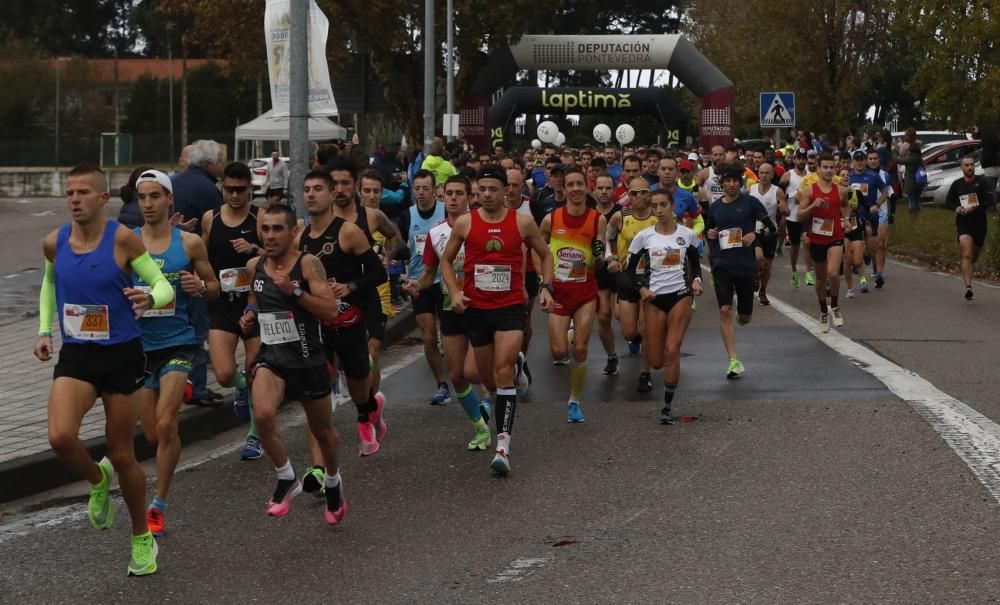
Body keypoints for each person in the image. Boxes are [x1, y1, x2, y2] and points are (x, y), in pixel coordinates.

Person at [35, 162, 175, 576]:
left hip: (121, 356)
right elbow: (48, 284)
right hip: (78, 354)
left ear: (102, 198)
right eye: (69, 193)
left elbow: (162, 284)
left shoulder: (123, 239)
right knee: (60, 437)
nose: (73, 199)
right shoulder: (53, 242)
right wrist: (45, 329)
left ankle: (139, 537)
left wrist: (151, 298)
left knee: (122, 453)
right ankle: (98, 480)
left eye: (82, 192)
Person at [438, 166, 555, 475]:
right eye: (482, 190)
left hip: (510, 307)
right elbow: (446, 261)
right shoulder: (465, 223)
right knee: (482, 378)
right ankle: (514, 366)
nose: (487, 195)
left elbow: (546, 255)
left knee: (501, 373)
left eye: (493, 189)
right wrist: (456, 291)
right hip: (476, 309)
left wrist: (546, 287)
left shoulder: (523, 223)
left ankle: (502, 446)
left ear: (506, 192)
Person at [239, 205, 347, 524]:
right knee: (262, 415)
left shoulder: (308, 264)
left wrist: (295, 290)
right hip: (273, 359)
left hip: (308, 359)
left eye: (276, 229)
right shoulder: (254, 265)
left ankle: (333, 482)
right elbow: (256, 304)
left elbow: (330, 311)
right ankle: (287, 477)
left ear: (291, 232)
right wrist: (249, 319)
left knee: (323, 432)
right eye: (265, 229)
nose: (269, 236)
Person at [131, 170, 220, 537]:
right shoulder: (127, 242)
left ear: (170, 201)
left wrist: (198, 285)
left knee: (168, 424)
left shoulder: (189, 243)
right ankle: (174, 393)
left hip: (178, 342)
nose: (148, 204)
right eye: (142, 197)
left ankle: (158, 503)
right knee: (152, 436)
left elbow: (214, 287)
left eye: (155, 196)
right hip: (137, 348)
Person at [405, 176, 493, 450]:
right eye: (449, 194)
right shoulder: (436, 234)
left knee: (477, 373)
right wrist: (416, 285)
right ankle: (480, 427)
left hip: (481, 306)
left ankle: (508, 369)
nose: (453, 198)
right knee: (457, 375)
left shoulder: (482, 226)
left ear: (469, 197)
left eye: (459, 193)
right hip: (450, 307)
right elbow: (430, 273)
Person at [539, 167, 611, 423]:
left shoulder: (596, 219)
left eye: (580, 184)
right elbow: (539, 251)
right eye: (571, 185)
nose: (576, 189)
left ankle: (574, 401)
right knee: (559, 352)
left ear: (586, 186)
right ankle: (567, 336)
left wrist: (599, 254)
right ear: (564, 189)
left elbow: (600, 254)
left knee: (580, 349)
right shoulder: (551, 219)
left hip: (585, 290)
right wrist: (543, 283)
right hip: (559, 289)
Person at [200, 162, 262, 459]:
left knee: (256, 372)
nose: (235, 195)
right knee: (224, 374)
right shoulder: (210, 219)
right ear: (222, 188)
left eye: (241, 190)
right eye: (229, 189)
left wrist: (254, 251)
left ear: (250, 188)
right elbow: (200, 257)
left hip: (255, 305)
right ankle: (239, 386)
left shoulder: (260, 218)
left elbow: (279, 256)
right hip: (222, 306)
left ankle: (254, 435)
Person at [628, 189, 704, 424]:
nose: (659, 210)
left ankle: (668, 406)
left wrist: (697, 280)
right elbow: (630, 271)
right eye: (655, 206)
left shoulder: (687, 235)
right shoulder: (644, 237)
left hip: (680, 295)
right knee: (657, 360)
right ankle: (662, 383)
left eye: (663, 205)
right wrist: (642, 289)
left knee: (673, 348)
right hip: (654, 298)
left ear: (672, 207)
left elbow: (694, 263)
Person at [704, 165, 776, 377]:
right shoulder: (715, 208)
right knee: (725, 310)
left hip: (745, 265)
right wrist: (711, 234)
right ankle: (733, 360)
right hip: (722, 264)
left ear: (740, 182)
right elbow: (709, 234)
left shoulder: (750, 203)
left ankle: (741, 317)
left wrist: (756, 234)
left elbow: (771, 228)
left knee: (745, 317)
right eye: (728, 180)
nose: (732, 184)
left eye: (735, 180)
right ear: (722, 183)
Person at [172, 140, 224, 408]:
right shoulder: (208, 189)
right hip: (194, 267)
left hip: (167, 264)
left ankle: (178, 384)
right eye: (218, 162)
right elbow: (218, 229)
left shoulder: (175, 182)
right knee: (197, 329)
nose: (221, 166)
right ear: (208, 164)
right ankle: (199, 388)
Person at [398, 169, 450, 404]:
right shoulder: (407, 216)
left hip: (447, 281)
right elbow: (399, 247)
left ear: (434, 189)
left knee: (450, 337)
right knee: (429, 337)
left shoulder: (445, 210)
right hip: (420, 282)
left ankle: (462, 377)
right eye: (416, 188)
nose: (420, 192)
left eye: (425, 188)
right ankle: (441, 384)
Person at [607, 178, 657, 392]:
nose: (638, 197)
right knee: (629, 333)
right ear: (628, 194)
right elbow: (607, 237)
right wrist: (611, 258)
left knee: (646, 328)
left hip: (651, 277)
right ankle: (636, 338)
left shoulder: (658, 217)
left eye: (642, 192)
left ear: (649, 194)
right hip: (627, 277)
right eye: (633, 193)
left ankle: (645, 375)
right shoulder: (621, 216)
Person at [797, 152, 849, 332]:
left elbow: (844, 204)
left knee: (833, 273)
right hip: (817, 238)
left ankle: (834, 305)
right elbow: (799, 215)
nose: (828, 170)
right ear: (818, 169)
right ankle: (823, 310)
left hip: (835, 236)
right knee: (820, 279)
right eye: (824, 167)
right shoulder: (809, 190)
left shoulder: (841, 190)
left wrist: (847, 219)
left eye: (831, 167)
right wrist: (813, 205)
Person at [944, 155, 995, 301]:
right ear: (962, 168)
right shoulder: (957, 184)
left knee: (973, 256)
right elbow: (948, 201)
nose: (970, 168)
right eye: (966, 165)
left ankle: (967, 268)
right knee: (967, 254)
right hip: (963, 223)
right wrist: (957, 208)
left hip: (979, 224)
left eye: (972, 165)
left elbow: (990, 201)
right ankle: (968, 287)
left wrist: (975, 208)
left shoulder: (982, 182)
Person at [592, 173, 622, 375]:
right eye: (600, 188)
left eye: (608, 188)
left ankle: (634, 336)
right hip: (599, 270)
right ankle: (611, 356)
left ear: (614, 190)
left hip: (622, 269)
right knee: (603, 316)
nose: (604, 192)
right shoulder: (588, 214)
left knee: (621, 315)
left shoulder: (622, 213)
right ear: (594, 190)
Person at [748, 163, 787, 305]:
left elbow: (785, 211)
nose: (764, 175)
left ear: (772, 175)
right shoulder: (751, 189)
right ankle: (755, 277)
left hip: (771, 231)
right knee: (759, 258)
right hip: (755, 231)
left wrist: (783, 208)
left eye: (767, 173)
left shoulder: (777, 191)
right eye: (761, 172)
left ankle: (763, 290)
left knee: (767, 266)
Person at [779, 149, 812, 288]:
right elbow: (779, 193)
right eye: (798, 158)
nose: (801, 161)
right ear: (794, 160)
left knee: (807, 241)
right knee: (795, 246)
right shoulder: (788, 176)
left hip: (807, 214)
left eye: (803, 158)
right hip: (792, 216)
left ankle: (809, 272)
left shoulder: (811, 176)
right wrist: (786, 201)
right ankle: (794, 271)